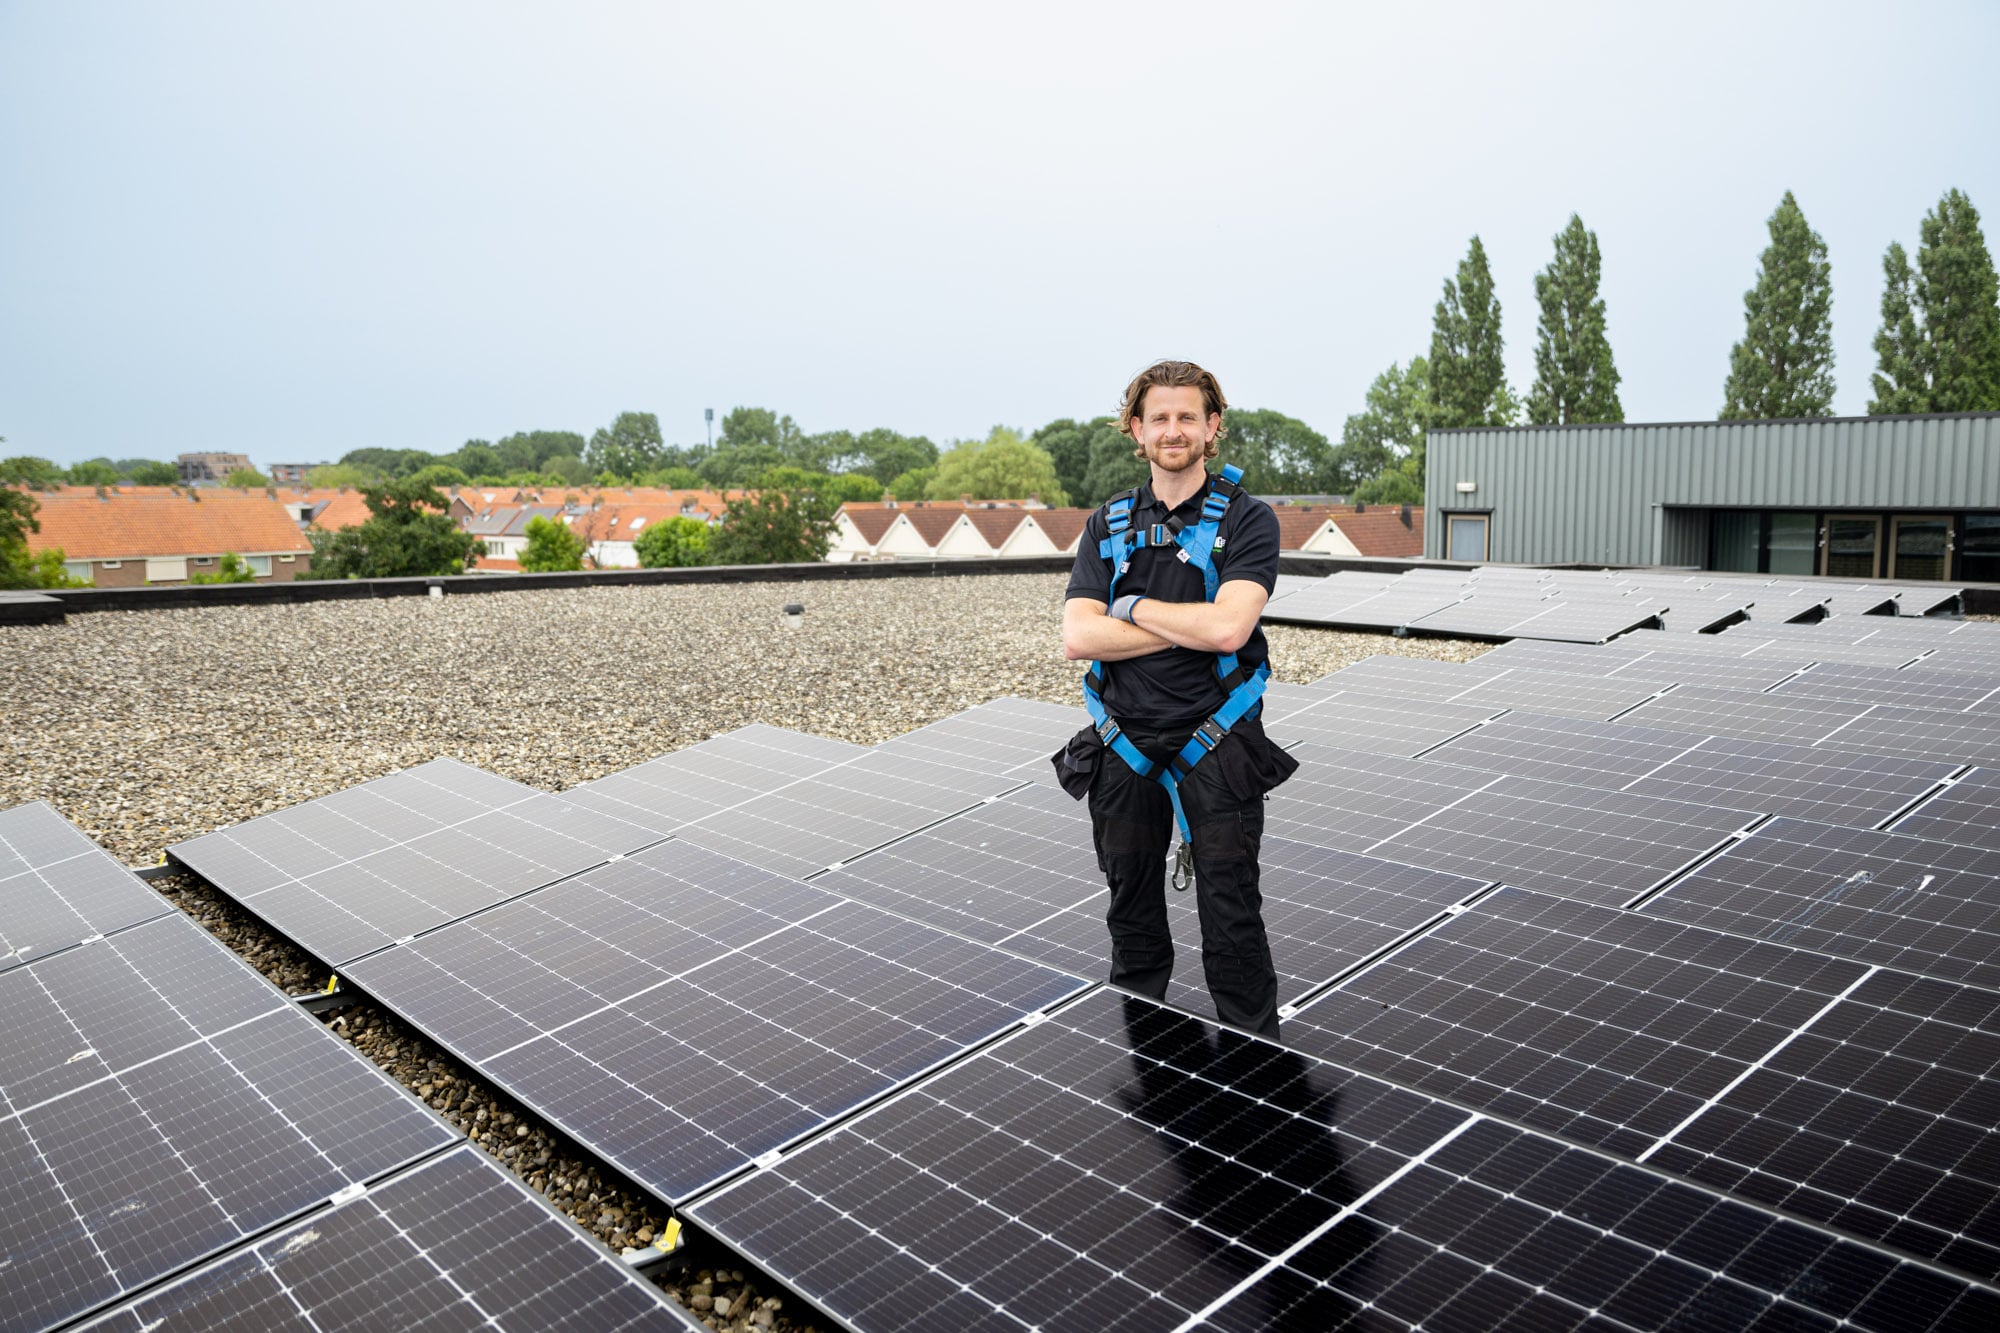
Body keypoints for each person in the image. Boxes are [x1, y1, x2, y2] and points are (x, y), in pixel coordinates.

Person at [1054, 359, 1297, 1038]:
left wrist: (1127, 609)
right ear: (1136, 429)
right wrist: (1181, 624)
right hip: (1122, 743)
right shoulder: (1108, 523)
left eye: (1187, 415)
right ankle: (1149, 1066)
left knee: (1232, 915)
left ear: (1212, 425)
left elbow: (1228, 627)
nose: (1173, 429)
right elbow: (1078, 636)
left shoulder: (1248, 521)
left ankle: (1256, 1070)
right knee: (1129, 912)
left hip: (1214, 742)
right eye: (1158, 416)